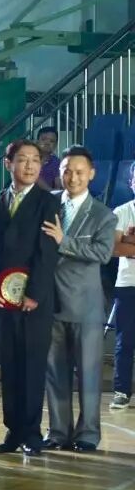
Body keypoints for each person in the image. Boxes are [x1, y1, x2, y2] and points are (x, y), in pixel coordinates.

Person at [0, 139, 60, 456]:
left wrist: (34, 294)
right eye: (22, 159)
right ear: (8, 164)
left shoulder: (47, 202)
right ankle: (13, 431)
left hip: (34, 302)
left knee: (32, 366)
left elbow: (48, 252)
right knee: (9, 365)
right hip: (3, 299)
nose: (29, 165)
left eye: (35, 160)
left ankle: (31, 433)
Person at [43, 146, 116, 452]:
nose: (73, 177)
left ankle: (87, 434)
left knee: (88, 375)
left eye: (79, 172)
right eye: (67, 171)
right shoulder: (47, 204)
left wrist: (64, 241)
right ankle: (58, 431)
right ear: (59, 173)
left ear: (92, 174)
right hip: (50, 304)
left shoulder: (103, 214)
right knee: (54, 374)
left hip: (86, 308)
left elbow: (102, 253)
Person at [110, 168, 135, 411]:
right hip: (128, 284)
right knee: (124, 341)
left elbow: (124, 245)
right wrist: (124, 244)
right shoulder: (122, 211)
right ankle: (121, 391)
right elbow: (114, 249)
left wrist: (130, 242)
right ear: (131, 182)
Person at [37, 125, 61, 190]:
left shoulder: (56, 162)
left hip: (48, 195)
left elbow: (58, 183)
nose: (47, 143)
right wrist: (50, 191)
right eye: (43, 139)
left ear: (55, 145)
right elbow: (34, 177)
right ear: (37, 141)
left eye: (52, 141)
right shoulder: (30, 158)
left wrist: (56, 192)